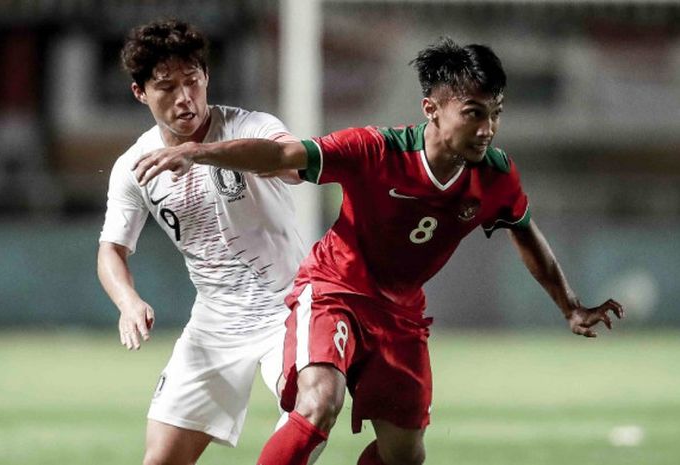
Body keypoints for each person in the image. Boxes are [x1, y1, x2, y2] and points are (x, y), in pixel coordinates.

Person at [131, 37, 625, 465]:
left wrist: (569, 306)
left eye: (495, 113)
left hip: (401, 313)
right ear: (432, 108)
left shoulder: (494, 175)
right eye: (474, 113)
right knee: (320, 401)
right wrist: (198, 150)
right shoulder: (375, 151)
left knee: (405, 454)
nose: (487, 128)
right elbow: (284, 155)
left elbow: (525, 231)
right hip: (333, 292)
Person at [97, 19, 317, 465]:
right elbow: (111, 250)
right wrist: (128, 302)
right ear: (140, 93)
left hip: (289, 306)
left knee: (311, 407)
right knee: (160, 460)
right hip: (215, 321)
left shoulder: (250, 126)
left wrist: (196, 152)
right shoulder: (133, 167)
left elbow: (294, 164)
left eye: (192, 81)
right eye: (166, 87)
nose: (185, 98)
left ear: (206, 78)